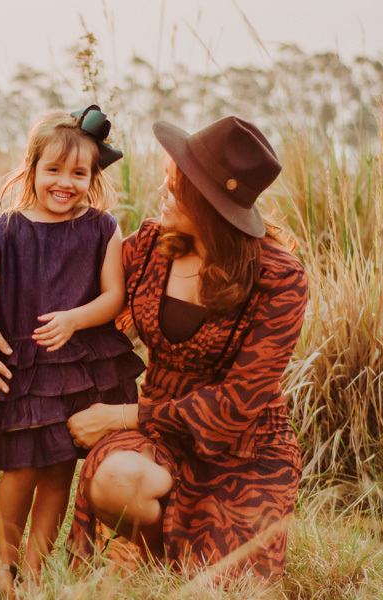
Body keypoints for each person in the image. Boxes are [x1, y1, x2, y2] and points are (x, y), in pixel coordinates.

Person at [58, 116, 309, 578]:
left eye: (176, 186)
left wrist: (121, 416)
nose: (162, 191)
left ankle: (160, 553)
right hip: (159, 433)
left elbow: (239, 405)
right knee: (115, 479)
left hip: (245, 443)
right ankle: (141, 542)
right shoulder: (152, 244)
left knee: (226, 579)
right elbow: (80, 297)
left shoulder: (279, 276)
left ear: (209, 202)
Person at [0, 106, 145, 599]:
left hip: (78, 367)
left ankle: (36, 571)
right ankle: (5, 565)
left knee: (60, 468)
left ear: (93, 177)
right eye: (54, 170)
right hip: (25, 366)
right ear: (33, 169)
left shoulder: (102, 227)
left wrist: (75, 318)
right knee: (20, 468)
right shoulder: (8, 229)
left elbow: (113, 297)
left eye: (79, 173)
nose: (65, 182)